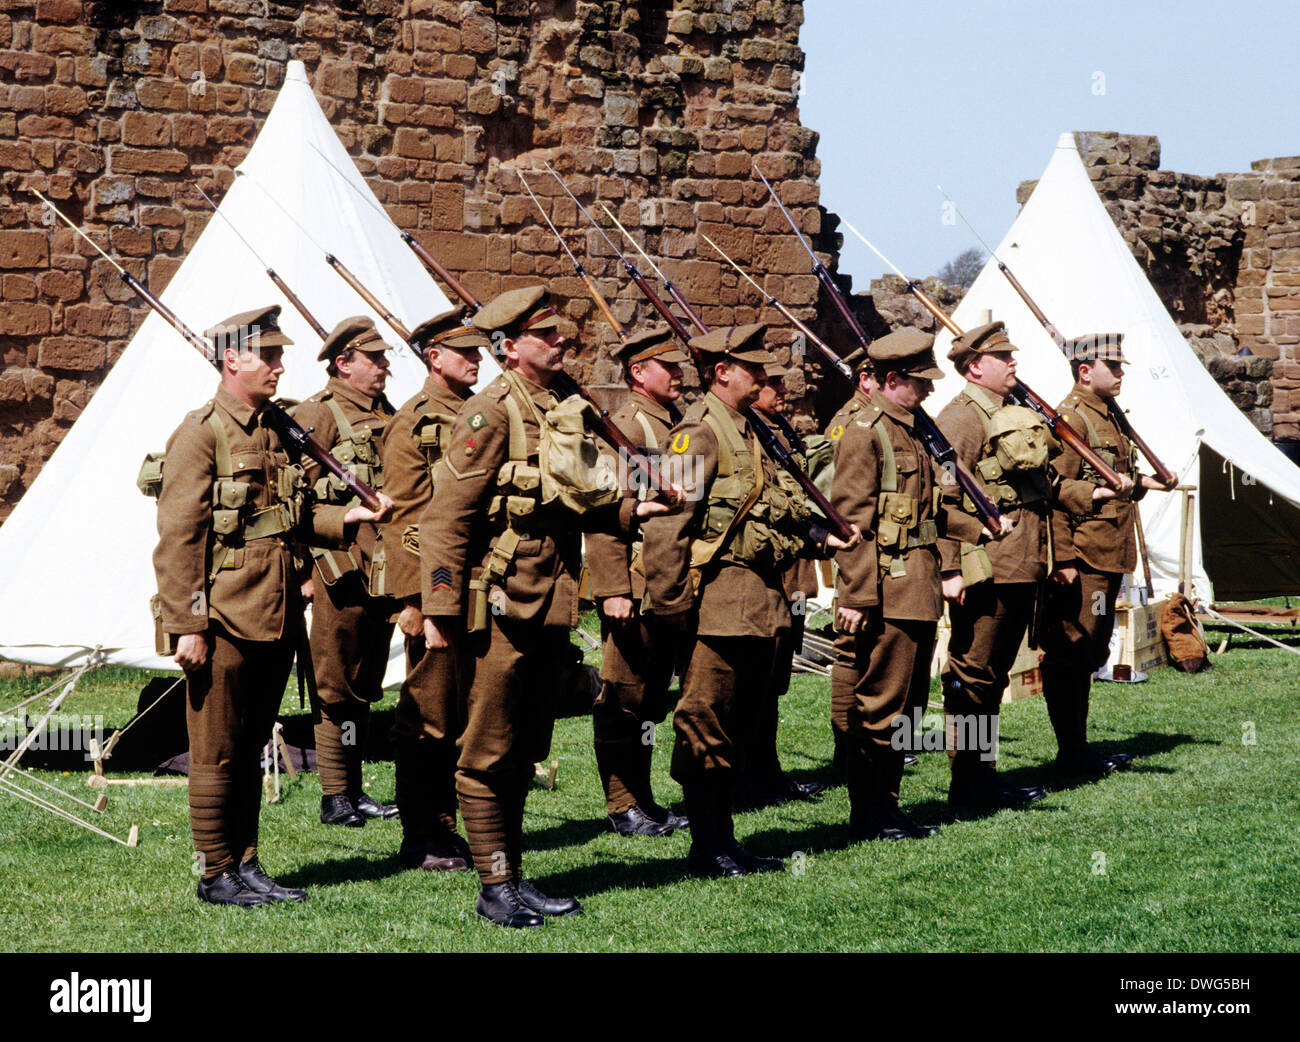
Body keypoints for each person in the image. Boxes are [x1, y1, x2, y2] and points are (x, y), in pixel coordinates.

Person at [420, 286, 670, 927]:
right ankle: (494, 886)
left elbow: (580, 494)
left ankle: (515, 875)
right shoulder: (490, 413)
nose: (563, 341)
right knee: (487, 748)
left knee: (526, 745)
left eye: (561, 333)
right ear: (510, 347)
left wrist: (628, 508)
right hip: (500, 605)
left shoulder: (562, 406)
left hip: (553, 598)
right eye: (547, 335)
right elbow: (446, 516)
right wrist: (440, 609)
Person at [152, 305, 391, 906]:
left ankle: (247, 864)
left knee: (254, 739)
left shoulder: (273, 431)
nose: (280, 367)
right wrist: (188, 625)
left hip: (275, 613)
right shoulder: (200, 432)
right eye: (270, 355)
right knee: (216, 748)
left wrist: (348, 516)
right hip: (224, 618)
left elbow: (293, 516)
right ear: (233, 359)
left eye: (281, 356)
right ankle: (215, 873)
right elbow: (180, 539)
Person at [644, 324, 856, 878]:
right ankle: (707, 846)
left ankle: (724, 838)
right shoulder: (699, 434)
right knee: (703, 719)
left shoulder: (750, 429)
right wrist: (670, 610)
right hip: (715, 604)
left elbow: (777, 505)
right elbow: (669, 526)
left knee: (736, 722)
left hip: (758, 601)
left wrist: (818, 536)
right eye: (755, 370)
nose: (765, 378)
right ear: (722, 372)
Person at [830, 328, 1001, 841]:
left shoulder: (912, 431)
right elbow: (851, 524)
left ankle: (889, 805)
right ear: (890, 380)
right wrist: (857, 596)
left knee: (909, 708)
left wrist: (981, 527)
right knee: (882, 705)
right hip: (887, 588)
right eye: (917, 383)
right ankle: (870, 813)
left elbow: (930, 513)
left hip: (919, 588)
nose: (927, 391)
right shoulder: (866, 432)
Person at [934, 320, 1099, 808]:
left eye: (1011, 356)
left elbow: (1041, 489)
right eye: (1003, 357)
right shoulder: (960, 419)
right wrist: (950, 568)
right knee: (974, 673)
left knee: (995, 673)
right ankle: (969, 783)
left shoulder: (1011, 411)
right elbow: (941, 502)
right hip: (989, 566)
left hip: (1024, 562)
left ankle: (983, 776)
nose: (1013, 363)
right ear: (974, 366)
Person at [381, 308, 486, 870]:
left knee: (465, 713)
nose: (476, 360)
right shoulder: (415, 421)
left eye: (478, 351)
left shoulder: (475, 413)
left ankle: (447, 828)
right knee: (428, 715)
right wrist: (412, 600)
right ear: (433, 357)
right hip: (434, 589)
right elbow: (401, 520)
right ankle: (422, 833)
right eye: (464, 352)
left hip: (474, 586)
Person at [1042, 333, 1169, 776]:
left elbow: (1116, 477)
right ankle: (1071, 752)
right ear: (1084, 371)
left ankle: (1078, 748)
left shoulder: (1108, 415)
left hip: (1110, 549)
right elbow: (1053, 493)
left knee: (1091, 651)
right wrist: (1063, 560)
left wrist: (1145, 482)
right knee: (1071, 650)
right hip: (1084, 554)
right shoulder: (1071, 419)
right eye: (1112, 367)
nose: (1120, 374)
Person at [584, 324, 692, 837]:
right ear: (638, 372)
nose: (679, 374)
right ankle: (621, 803)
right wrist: (612, 589)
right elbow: (605, 513)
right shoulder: (622, 428)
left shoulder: (676, 423)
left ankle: (643, 798)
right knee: (623, 698)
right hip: (636, 584)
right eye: (668, 367)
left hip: (671, 583)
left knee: (651, 700)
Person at [291, 316, 398, 828]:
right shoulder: (319, 413)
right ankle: (336, 795)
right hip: (338, 568)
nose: (384, 367)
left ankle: (353, 791)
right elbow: (294, 498)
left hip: (381, 569)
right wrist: (305, 573)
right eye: (374, 359)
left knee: (363, 682)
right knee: (336, 686)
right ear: (343, 363)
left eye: (383, 357)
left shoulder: (385, 413)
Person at [742, 363, 826, 806]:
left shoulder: (778, 429)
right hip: (766, 573)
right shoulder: (749, 434)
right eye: (770, 383)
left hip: (792, 578)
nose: (779, 390)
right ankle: (749, 776)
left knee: (774, 681)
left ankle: (767, 770)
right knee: (755, 681)